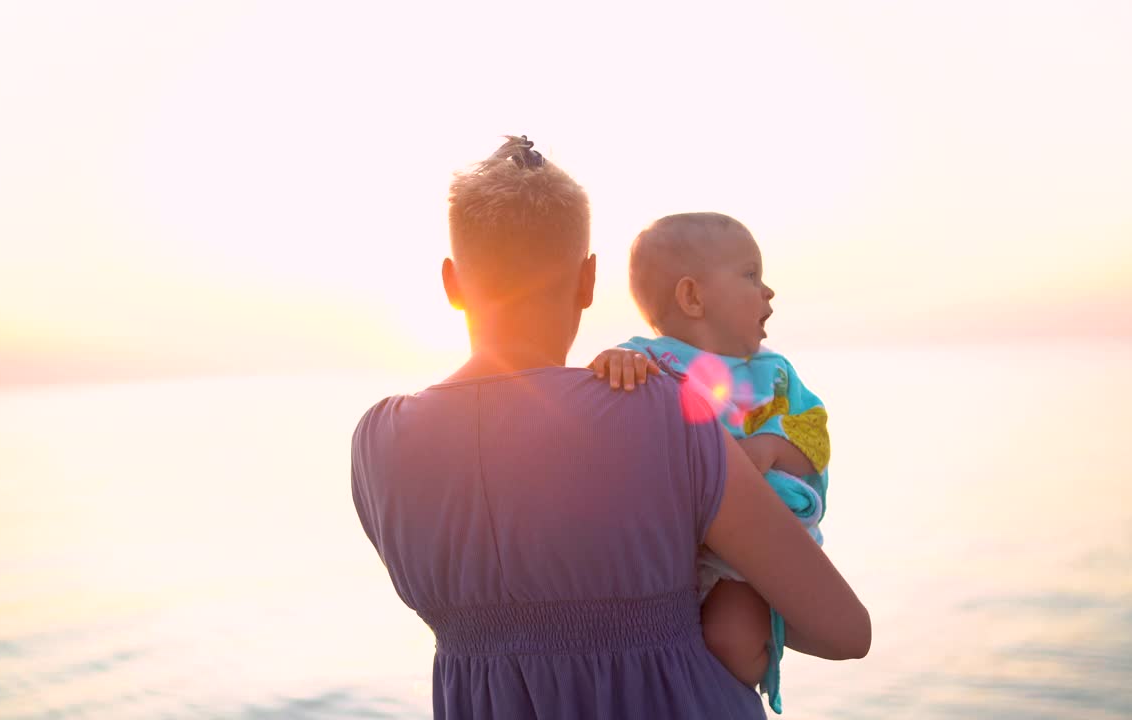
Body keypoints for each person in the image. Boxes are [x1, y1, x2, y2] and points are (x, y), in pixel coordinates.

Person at [350, 136, 869, 720]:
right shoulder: (664, 411)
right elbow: (845, 633)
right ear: (588, 282)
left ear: (451, 284)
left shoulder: (380, 443)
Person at [589, 212, 830, 713]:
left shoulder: (774, 374)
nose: (768, 292)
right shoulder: (651, 359)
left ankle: (762, 648)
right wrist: (617, 362)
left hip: (748, 551)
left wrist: (769, 447)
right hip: (678, 546)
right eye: (749, 275)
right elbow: (608, 372)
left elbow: (815, 437)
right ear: (693, 297)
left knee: (733, 647)